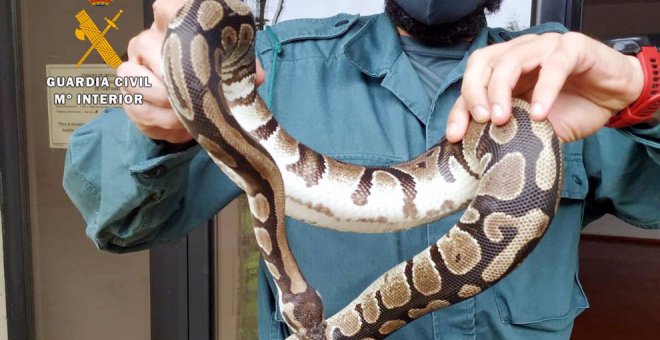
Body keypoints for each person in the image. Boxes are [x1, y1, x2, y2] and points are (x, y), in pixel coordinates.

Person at [63, 0, 659, 338]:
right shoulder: (277, 65)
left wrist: (641, 86)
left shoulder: (564, 75)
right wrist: (152, 125)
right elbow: (115, 218)